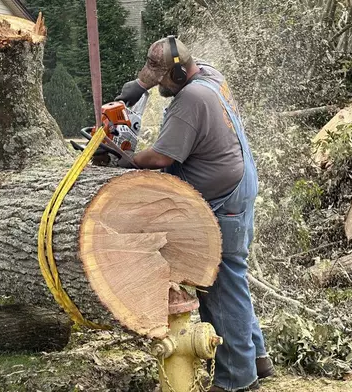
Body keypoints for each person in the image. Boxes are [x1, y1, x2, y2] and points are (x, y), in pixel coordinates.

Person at [115, 36, 274, 392]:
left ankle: (238, 379)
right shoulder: (207, 74)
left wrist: (124, 158)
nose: (161, 90)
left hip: (223, 200)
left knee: (218, 284)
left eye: (163, 83)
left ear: (181, 76)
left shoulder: (191, 97)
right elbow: (164, 65)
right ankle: (257, 358)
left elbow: (161, 158)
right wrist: (138, 87)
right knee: (233, 278)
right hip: (238, 184)